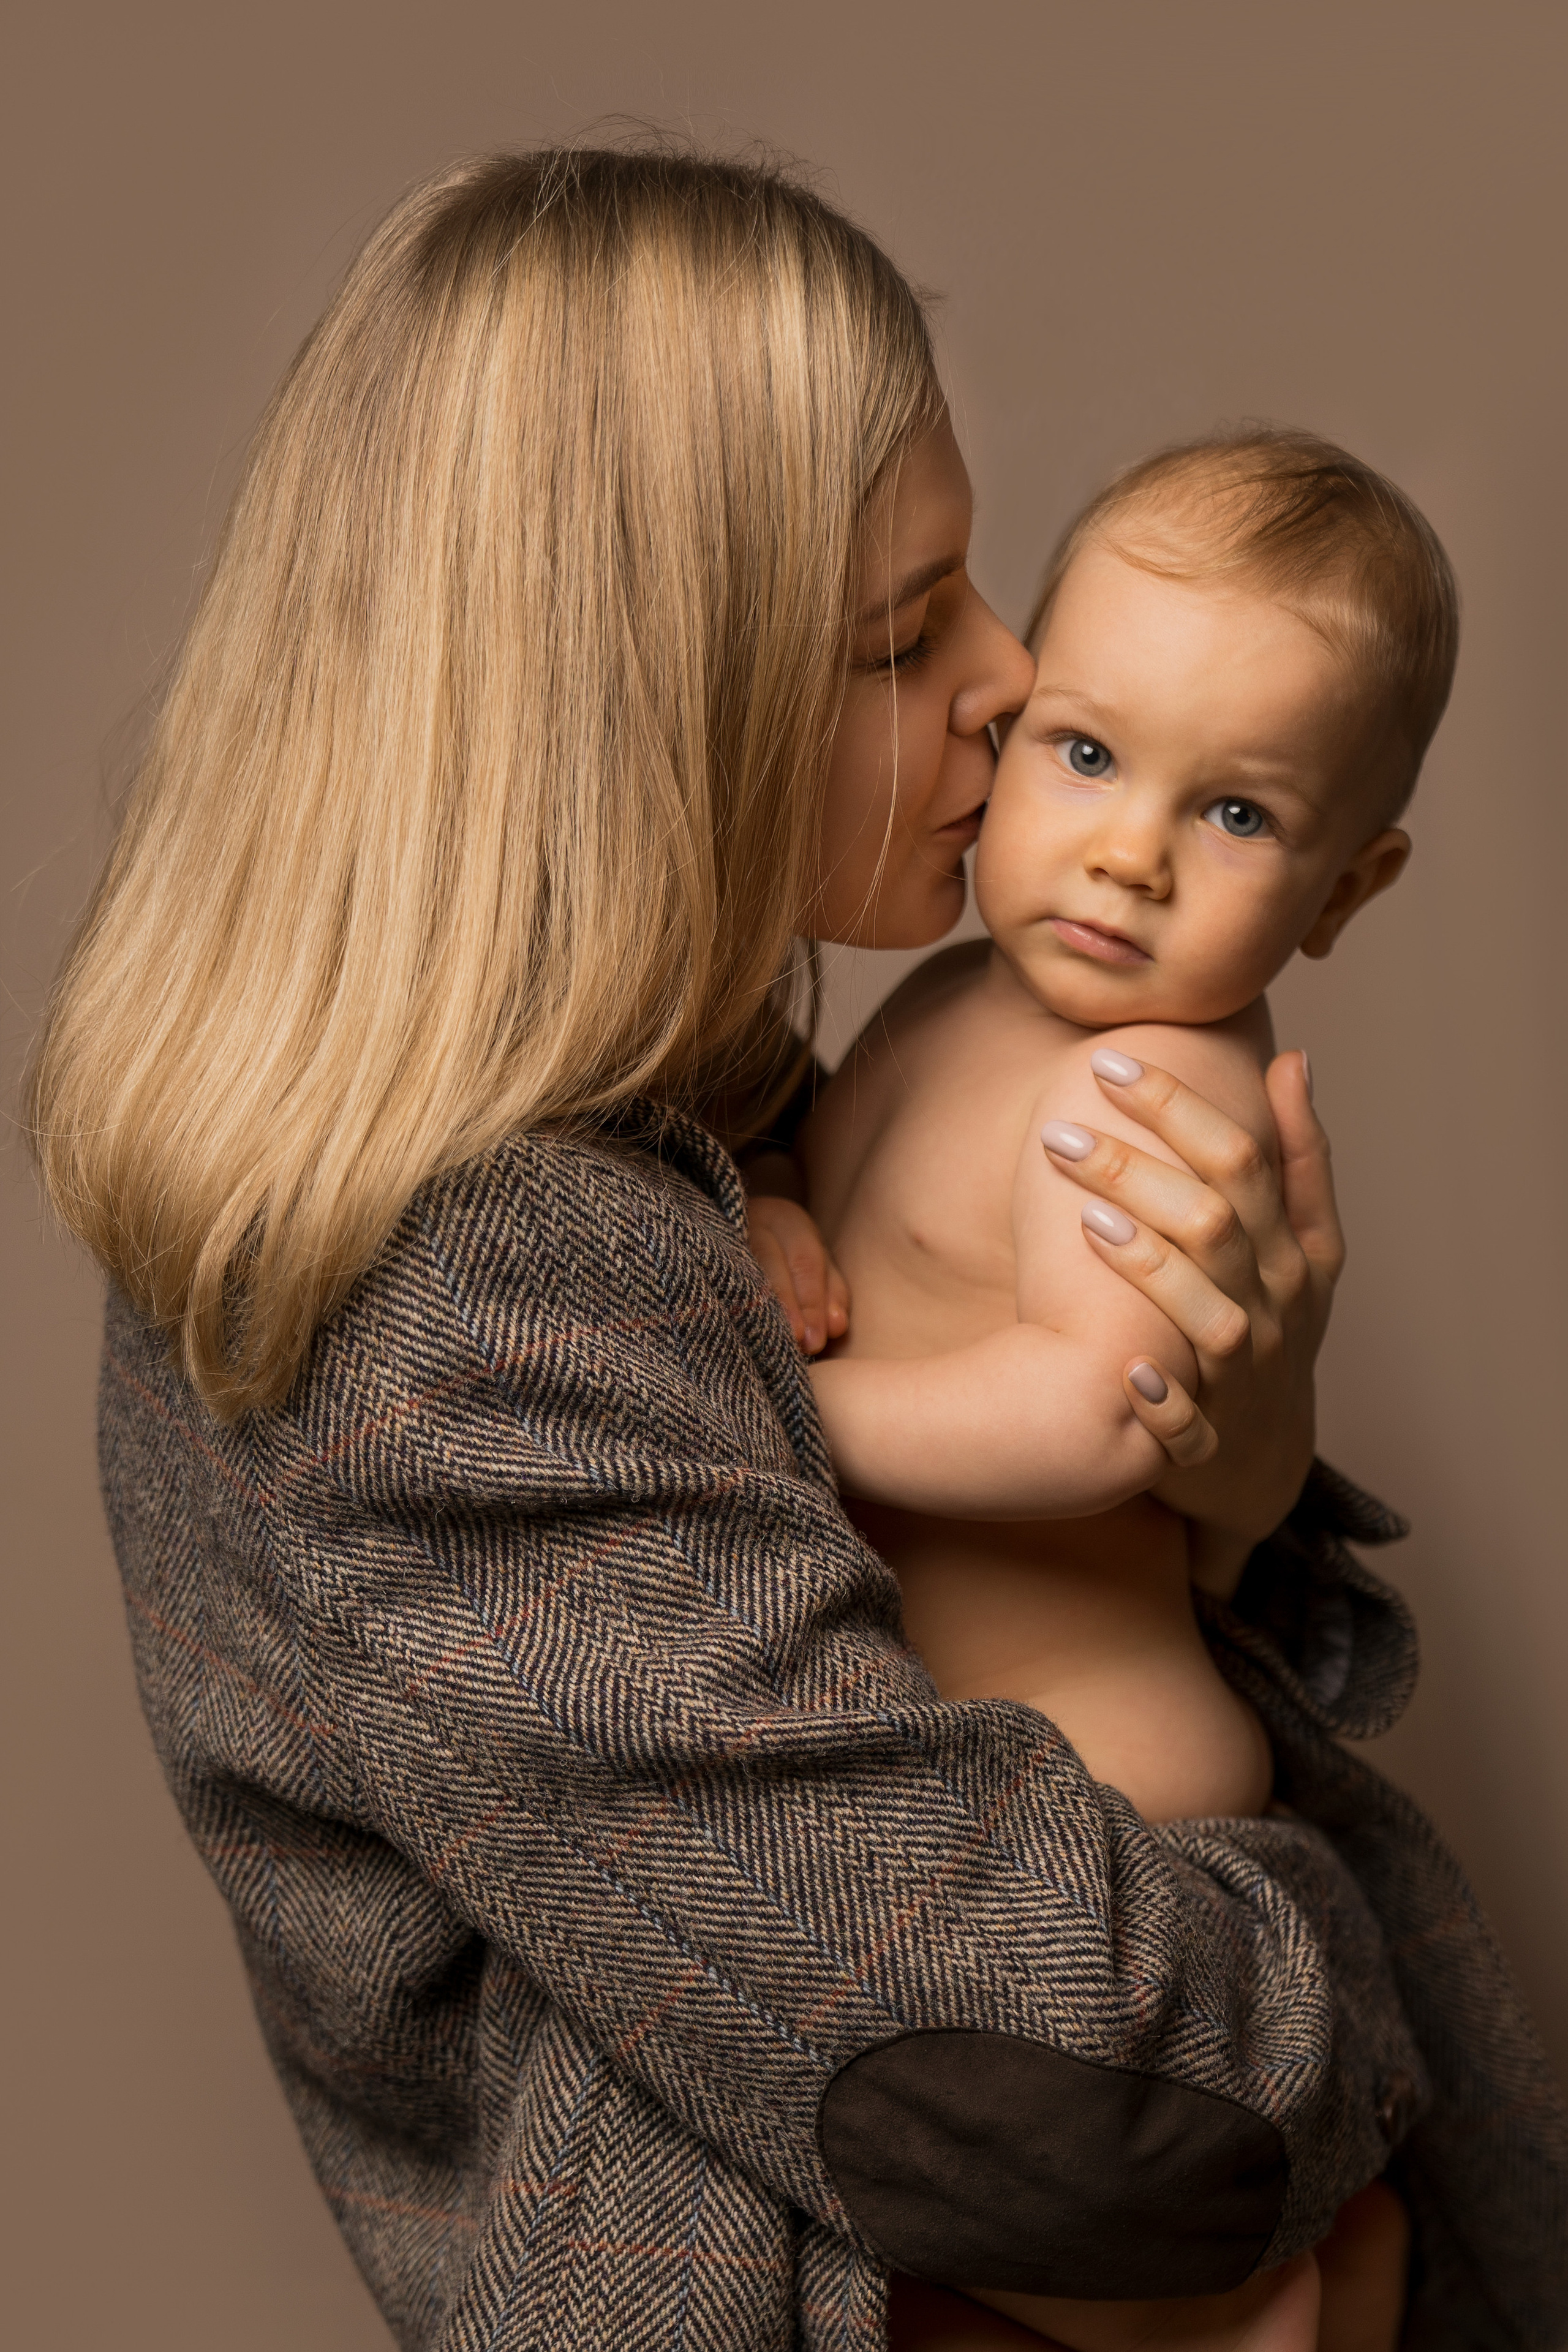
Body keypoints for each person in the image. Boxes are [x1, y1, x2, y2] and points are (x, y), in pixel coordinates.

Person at [24, 149, 1564, 2352]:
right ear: (638, 702)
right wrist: (1357, 1982)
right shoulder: (460, 1302)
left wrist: (1245, 1447)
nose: (1013, 675)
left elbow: (1026, 1502)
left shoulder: (651, 1107)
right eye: (903, 634)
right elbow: (1075, 2071)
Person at [780, 432, 1479, 2347]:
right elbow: (852, 1210)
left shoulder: (1143, 1087)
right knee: (933, 2245)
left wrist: (772, 1419)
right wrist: (768, 1213)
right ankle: (1314, 2277)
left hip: (1099, 1800)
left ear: (1347, 887)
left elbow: (1095, 1410)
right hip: (987, 1777)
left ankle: (1277, 2313)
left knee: (989, 2211)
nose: (1130, 853)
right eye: (1086, 754)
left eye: (1237, 813)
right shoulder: (956, 1004)